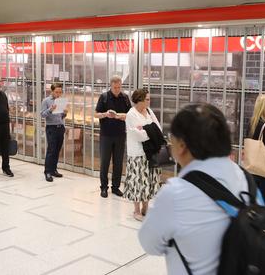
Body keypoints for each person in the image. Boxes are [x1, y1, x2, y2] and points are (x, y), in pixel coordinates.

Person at [139, 103, 250, 274]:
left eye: (171, 138)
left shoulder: (176, 193)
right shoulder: (244, 177)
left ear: (182, 146)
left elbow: (149, 243)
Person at [124, 88, 162, 221]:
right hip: (137, 153)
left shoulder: (149, 111)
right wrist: (150, 130)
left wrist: (146, 129)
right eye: (147, 99)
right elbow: (138, 135)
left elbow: (159, 129)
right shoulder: (131, 114)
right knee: (137, 181)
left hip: (150, 152)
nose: (149, 101)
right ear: (139, 100)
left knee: (148, 181)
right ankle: (136, 210)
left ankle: (146, 207)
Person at [95, 75, 131, 198]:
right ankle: (103, 187)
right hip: (106, 135)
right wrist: (105, 114)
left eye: (119, 87)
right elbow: (96, 114)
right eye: (115, 87)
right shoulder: (104, 97)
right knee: (105, 162)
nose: (117, 90)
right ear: (111, 86)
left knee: (118, 162)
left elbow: (130, 115)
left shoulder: (125, 98)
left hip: (121, 135)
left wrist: (118, 116)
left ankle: (116, 187)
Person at [40, 83, 68, 182]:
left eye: (60, 92)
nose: (58, 94)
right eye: (56, 92)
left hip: (60, 127)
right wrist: (50, 109)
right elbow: (42, 114)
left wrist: (65, 113)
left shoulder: (61, 101)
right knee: (51, 150)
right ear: (52, 91)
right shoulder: (46, 101)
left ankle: (53, 170)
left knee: (57, 150)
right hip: (51, 128)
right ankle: (47, 172)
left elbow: (62, 116)